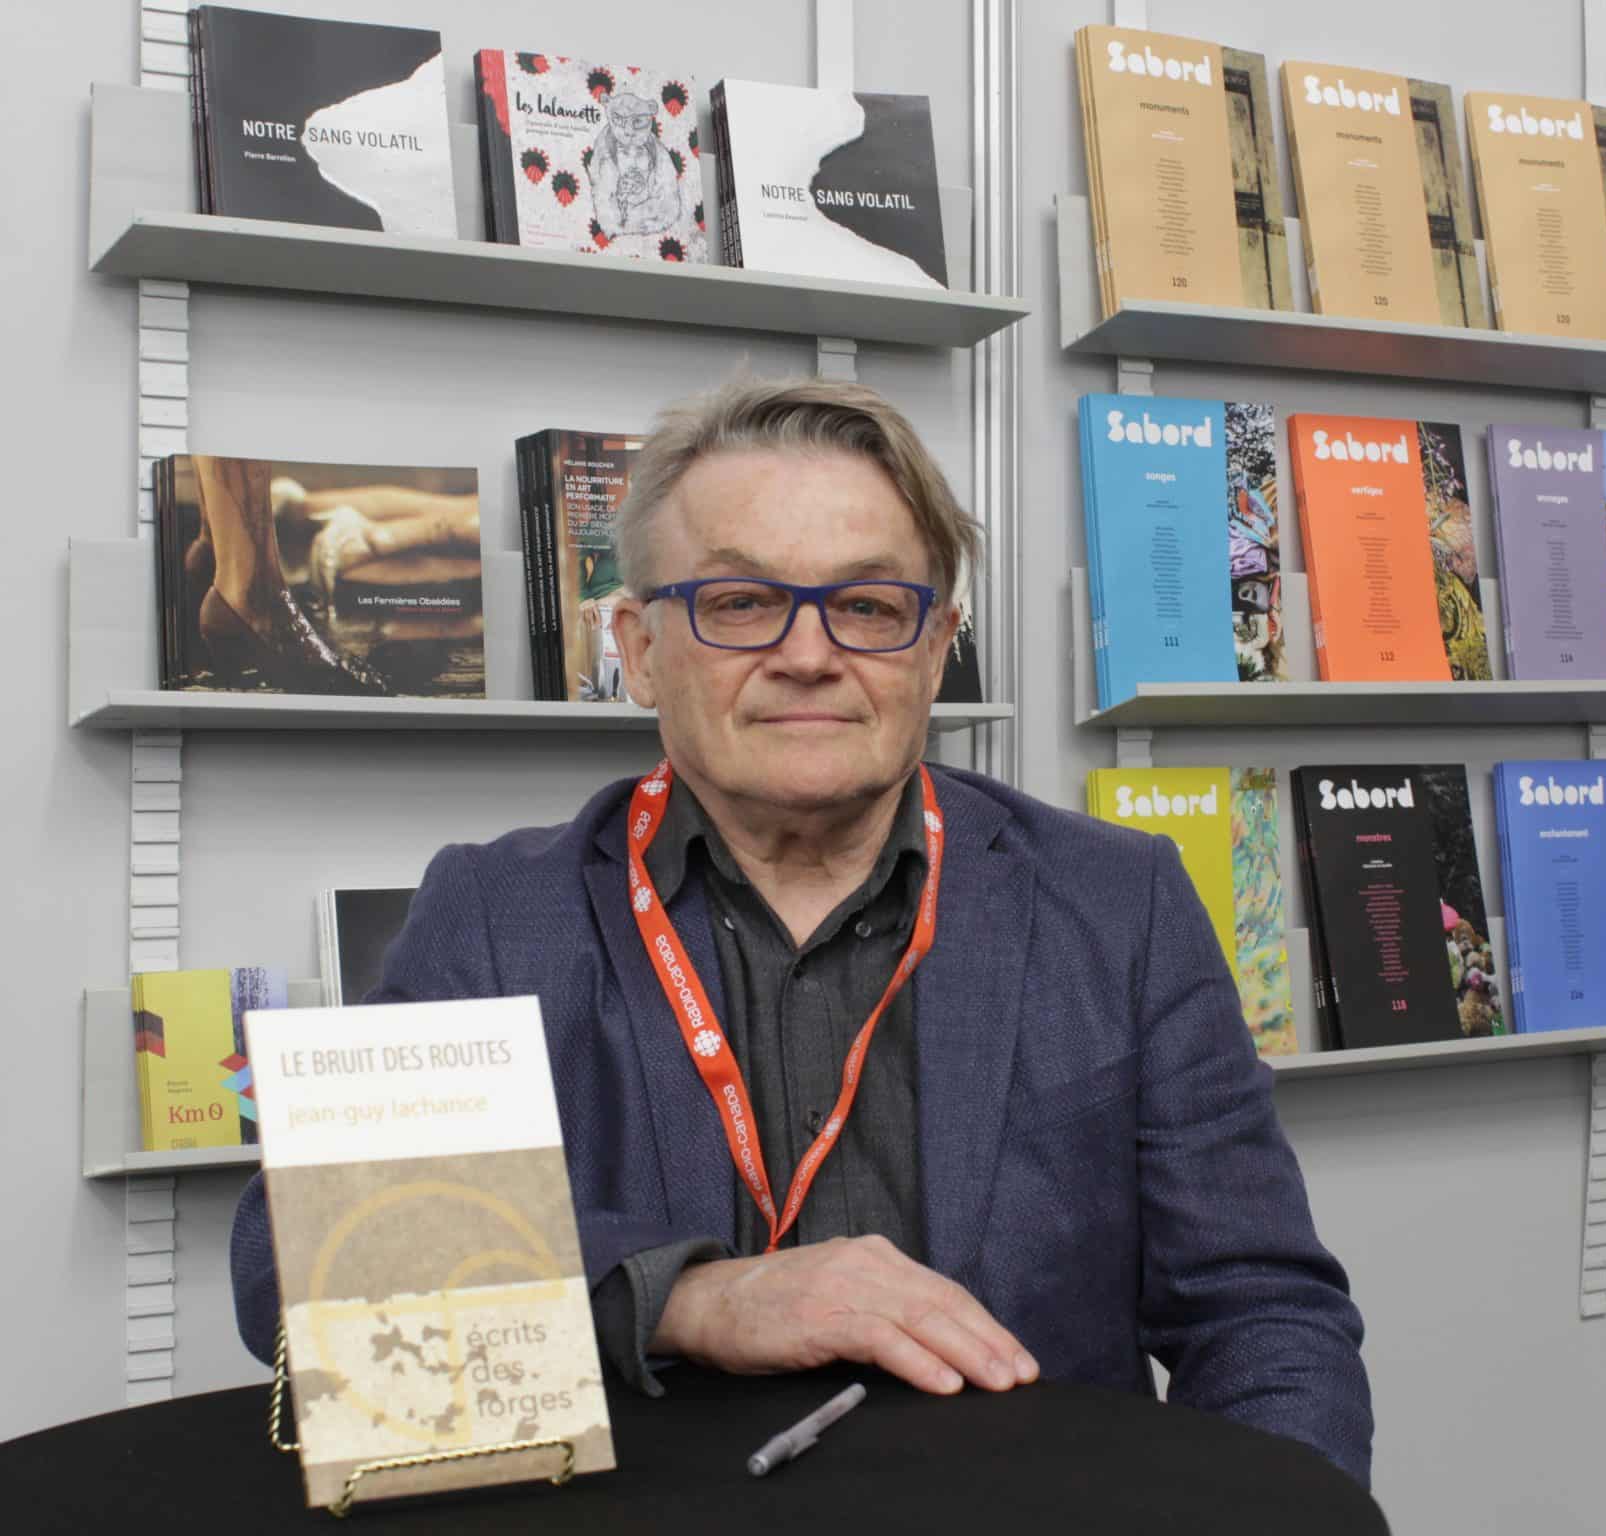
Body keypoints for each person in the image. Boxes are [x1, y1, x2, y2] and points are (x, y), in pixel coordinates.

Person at [229, 377, 1375, 1488]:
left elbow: (1261, 1313)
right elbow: (297, 1260)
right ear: (638, 648)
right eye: (739, 603)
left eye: (869, 607)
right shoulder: (495, 914)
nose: (810, 653)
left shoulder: (1118, 901)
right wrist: (688, 1299)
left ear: (936, 646)